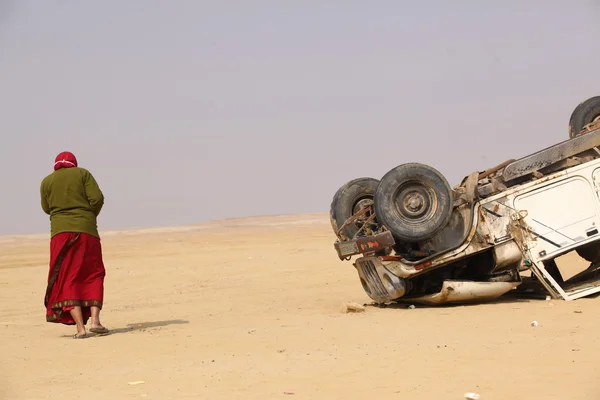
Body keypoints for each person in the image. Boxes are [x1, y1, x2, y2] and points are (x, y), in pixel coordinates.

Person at [40, 151, 109, 339]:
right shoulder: (83, 174)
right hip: (87, 232)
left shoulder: (47, 181)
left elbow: (46, 208)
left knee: (67, 277)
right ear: (74, 163)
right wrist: (87, 215)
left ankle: (80, 328)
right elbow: (97, 198)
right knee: (94, 273)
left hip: (60, 233)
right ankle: (95, 321)